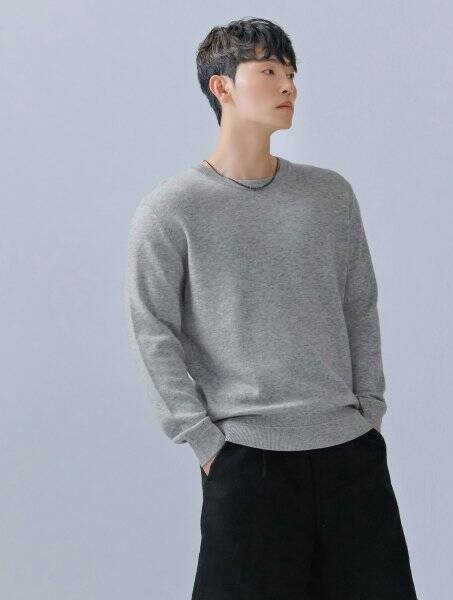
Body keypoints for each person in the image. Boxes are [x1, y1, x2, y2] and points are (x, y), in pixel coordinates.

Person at [125, 16, 418, 600]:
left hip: (350, 455)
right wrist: (202, 439)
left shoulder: (330, 194)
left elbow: (359, 304)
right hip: (247, 462)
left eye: (291, 72)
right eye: (268, 71)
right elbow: (152, 329)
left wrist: (370, 411)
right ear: (222, 87)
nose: (288, 85)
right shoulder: (172, 209)